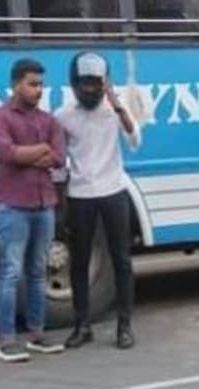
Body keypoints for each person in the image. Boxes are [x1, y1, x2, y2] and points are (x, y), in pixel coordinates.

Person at [56, 52, 140, 350]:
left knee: (121, 260)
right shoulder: (63, 115)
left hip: (113, 191)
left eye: (95, 84)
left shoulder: (112, 110)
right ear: (74, 84)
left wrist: (118, 106)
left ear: (104, 83)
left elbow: (135, 140)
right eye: (84, 85)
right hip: (80, 195)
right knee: (79, 262)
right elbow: (58, 159)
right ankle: (82, 325)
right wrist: (59, 200)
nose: (90, 90)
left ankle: (125, 325)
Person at [0, 57, 66, 363]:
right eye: (33, 84)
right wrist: (40, 151)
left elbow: (58, 157)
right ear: (15, 84)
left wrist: (30, 154)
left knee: (37, 271)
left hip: (43, 203)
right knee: (10, 271)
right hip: (12, 205)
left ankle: (37, 334)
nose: (38, 90)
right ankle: (7, 340)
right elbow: (6, 153)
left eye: (41, 85)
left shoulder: (49, 120)